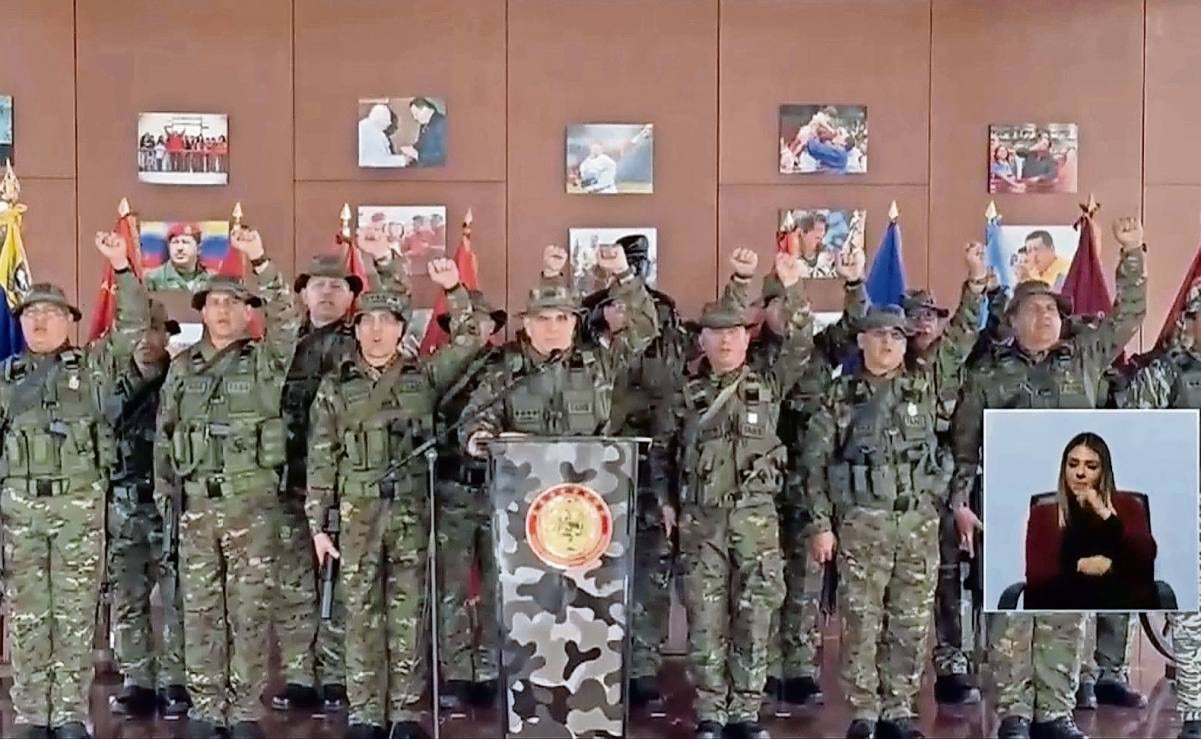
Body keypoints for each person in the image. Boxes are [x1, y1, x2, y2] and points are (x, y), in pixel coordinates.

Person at [951, 217, 1147, 739]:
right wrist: (959, 504)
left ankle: (1055, 711)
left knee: (1065, 612)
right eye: (1035, 309)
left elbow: (1129, 314)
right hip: (1010, 512)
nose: (1046, 317)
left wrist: (1131, 253)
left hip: (1075, 511)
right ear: (1012, 319)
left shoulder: (1083, 359)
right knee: (1013, 614)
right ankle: (1015, 712)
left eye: (1054, 310)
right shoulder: (988, 375)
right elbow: (964, 448)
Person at [805, 244, 987, 739]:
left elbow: (961, 336)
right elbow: (814, 465)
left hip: (916, 523)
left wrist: (975, 282)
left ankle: (899, 710)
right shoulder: (840, 396)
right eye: (878, 335)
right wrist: (820, 525)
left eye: (896, 336)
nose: (887, 343)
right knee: (862, 622)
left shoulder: (926, 384)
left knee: (910, 621)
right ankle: (865, 711)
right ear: (861, 341)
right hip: (861, 523)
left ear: (907, 344)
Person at [308, 258, 483, 739]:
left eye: (387, 322)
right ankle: (365, 713)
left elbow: (469, 340)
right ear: (356, 330)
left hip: (410, 510)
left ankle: (404, 713)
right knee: (360, 614)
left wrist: (454, 288)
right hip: (355, 513)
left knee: (408, 614)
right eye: (368, 322)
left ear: (402, 329)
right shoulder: (336, 387)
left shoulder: (422, 378)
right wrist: (318, 525)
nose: (377, 331)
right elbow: (321, 458)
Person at [655, 249, 812, 739]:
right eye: (716, 332)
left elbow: (800, 342)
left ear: (747, 337)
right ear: (702, 340)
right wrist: (665, 501)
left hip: (756, 520)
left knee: (755, 617)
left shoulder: (769, 382)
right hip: (701, 522)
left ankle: (745, 711)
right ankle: (710, 711)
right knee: (705, 619)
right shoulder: (684, 395)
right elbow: (661, 452)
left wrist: (792, 289)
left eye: (735, 332)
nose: (726, 340)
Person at [0, 232, 149, 739]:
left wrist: (122, 268)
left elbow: (133, 328)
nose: (39, 322)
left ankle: (67, 712)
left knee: (75, 614)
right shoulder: (5, 379)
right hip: (19, 512)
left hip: (78, 510)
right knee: (27, 617)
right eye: (30, 315)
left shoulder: (93, 371)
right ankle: (29, 713)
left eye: (50, 313)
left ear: (70, 321)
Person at [155, 227, 300, 739]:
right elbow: (165, 435)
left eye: (231, 302)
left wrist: (259, 260)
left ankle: (242, 710)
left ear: (246, 312)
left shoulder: (265, 360)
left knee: (249, 611)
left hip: (251, 505)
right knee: (199, 610)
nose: (221, 311)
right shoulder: (182, 369)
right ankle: (205, 706)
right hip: (196, 506)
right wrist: (165, 495)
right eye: (213, 303)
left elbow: (289, 317)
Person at [271, 232, 408, 718]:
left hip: (347, 485)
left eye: (337, 286)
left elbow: (398, 298)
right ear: (303, 294)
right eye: (318, 285)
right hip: (289, 480)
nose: (327, 293)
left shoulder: (364, 341)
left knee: (341, 582)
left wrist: (385, 259)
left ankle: (334, 675)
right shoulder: (281, 344)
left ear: (352, 295)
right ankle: (299, 676)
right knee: (293, 584)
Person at [581, 233, 689, 709]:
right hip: (598, 465)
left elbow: (673, 379)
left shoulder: (663, 313)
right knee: (594, 568)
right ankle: (596, 660)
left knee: (651, 572)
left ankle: (643, 665)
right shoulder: (590, 314)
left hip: (652, 464)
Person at [765, 249, 867, 707]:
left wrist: (854, 283)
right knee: (765, 580)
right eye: (777, 304)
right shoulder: (750, 355)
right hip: (763, 486)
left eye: (791, 302)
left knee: (806, 579)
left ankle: (801, 668)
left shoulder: (823, 349)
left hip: (811, 483)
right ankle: (766, 667)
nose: (784, 312)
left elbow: (858, 324)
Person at [461, 242, 658, 450]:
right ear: (527, 325)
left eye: (562, 319)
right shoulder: (506, 368)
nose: (553, 328)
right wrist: (480, 436)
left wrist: (623, 274)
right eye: (543, 319)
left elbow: (645, 329)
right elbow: (476, 418)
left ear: (574, 324)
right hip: (526, 470)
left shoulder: (600, 362)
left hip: (589, 470)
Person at [106, 300, 192, 722]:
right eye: (138, 331)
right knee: (127, 596)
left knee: (178, 596)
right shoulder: (108, 385)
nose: (145, 340)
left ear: (166, 335)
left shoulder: (183, 380)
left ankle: (176, 679)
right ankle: (137, 679)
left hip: (169, 503)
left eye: (154, 330)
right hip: (122, 506)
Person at [1124, 289, 1201, 739]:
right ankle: (1195, 710)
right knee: (1190, 614)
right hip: (1184, 505)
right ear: (1190, 321)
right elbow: (1133, 432)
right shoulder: (1166, 374)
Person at [432, 290, 508, 713]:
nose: (476, 327)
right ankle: (457, 672)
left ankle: (490, 668)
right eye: (467, 321)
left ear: (493, 327)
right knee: (452, 589)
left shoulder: (510, 367)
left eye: (482, 321)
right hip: (453, 490)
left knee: (500, 586)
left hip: (501, 490)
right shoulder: (442, 369)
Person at [1022, 434, 1158, 611]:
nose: (1080, 473)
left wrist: (1102, 510)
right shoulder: (1044, 514)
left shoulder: (1128, 506)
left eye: (1091, 466)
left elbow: (1144, 557)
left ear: (1103, 472)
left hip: (1118, 604)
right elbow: (1037, 576)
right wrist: (1080, 566)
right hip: (1064, 605)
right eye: (1073, 465)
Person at [145, 223, 213, 292]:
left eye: (185, 242)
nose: (179, 248)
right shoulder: (154, 279)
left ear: (199, 248)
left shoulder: (210, 278)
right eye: (175, 242)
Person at [399, 97, 446, 167]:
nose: (415, 118)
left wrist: (417, 155)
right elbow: (421, 143)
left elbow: (443, 155)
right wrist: (412, 148)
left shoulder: (442, 122)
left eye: (416, 114)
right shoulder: (424, 123)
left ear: (425, 109)